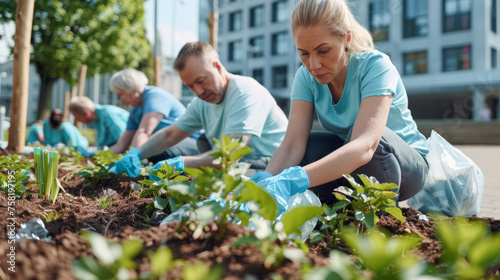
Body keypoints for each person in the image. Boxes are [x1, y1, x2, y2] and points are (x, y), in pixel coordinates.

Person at [252, 0, 429, 212]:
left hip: (405, 167)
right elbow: (292, 145)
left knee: (373, 143)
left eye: (323, 51)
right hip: (356, 163)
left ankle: (381, 217)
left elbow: (366, 145)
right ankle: (337, 210)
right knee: (310, 147)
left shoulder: (375, 66)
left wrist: (296, 179)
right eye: (304, 53)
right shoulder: (305, 77)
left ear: (346, 38)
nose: (313, 65)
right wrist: (264, 184)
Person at [110, 42, 288, 177]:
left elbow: (230, 155)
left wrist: (181, 163)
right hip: (239, 164)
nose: (198, 91)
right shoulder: (202, 102)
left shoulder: (245, 92)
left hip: (273, 164)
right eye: (191, 86)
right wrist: (136, 153)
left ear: (217, 66)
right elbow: (169, 135)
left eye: (201, 81)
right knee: (203, 146)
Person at [108, 68, 200, 163]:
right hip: (170, 143)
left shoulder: (155, 96)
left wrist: (133, 158)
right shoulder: (135, 109)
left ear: (132, 90)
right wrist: (97, 156)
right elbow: (121, 145)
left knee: (157, 151)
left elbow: (144, 132)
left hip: (194, 143)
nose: (121, 100)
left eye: (121, 94)